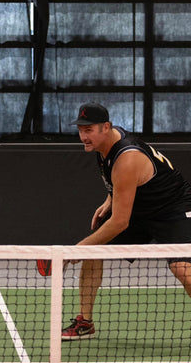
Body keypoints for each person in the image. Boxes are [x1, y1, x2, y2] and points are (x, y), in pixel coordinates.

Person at [62, 102, 191, 340]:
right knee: (95, 249)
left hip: (173, 208)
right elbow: (121, 182)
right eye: (80, 130)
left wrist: (74, 250)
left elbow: (120, 222)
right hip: (142, 208)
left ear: (106, 127)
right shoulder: (104, 145)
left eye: (88, 130)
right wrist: (110, 198)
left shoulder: (127, 157)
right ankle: (85, 323)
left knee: (181, 268)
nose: (83, 136)